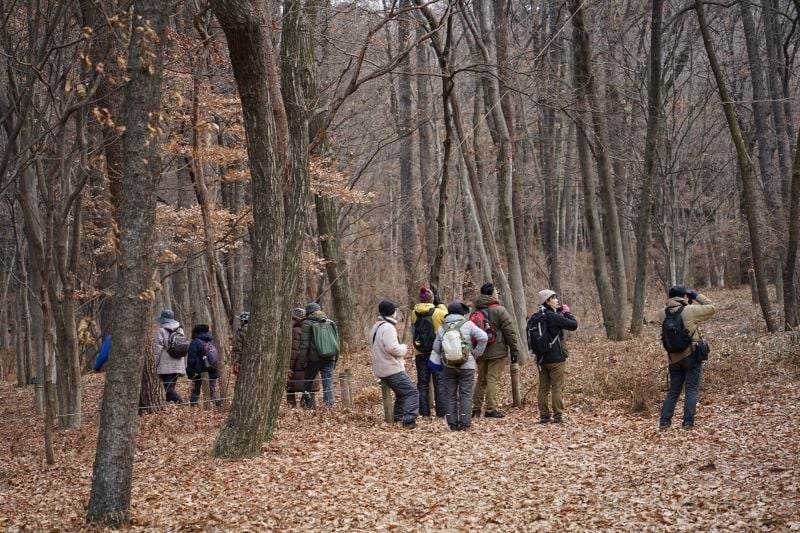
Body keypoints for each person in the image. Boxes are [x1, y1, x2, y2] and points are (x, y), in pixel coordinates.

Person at [659, 285, 717, 430]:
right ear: (684, 296)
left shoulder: (662, 313)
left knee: (673, 391)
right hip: (692, 356)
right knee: (691, 389)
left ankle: (664, 422)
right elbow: (712, 308)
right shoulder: (690, 311)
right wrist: (696, 296)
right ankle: (688, 422)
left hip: (674, 359)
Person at [429, 302, 488, 431]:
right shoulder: (468, 325)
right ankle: (465, 423)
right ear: (462, 313)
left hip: (448, 365)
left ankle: (452, 424)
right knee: (465, 393)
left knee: (449, 394)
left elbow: (435, 347)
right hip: (467, 365)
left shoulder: (442, 327)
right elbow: (483, 337)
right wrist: (475, 354)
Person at [471, 283, 522, 419]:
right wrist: (514, 351)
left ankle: (476, 408)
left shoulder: (475, 311)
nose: (497, 293)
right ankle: (490, 409)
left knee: (481, 380)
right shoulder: (499, 310)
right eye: (496, 291)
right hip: (497, 351)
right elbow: (510, 332)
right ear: (492, 294)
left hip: (480, 351)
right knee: (493, 379)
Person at [370, 300, 418, 429]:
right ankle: (408, 421)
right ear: (392, 313)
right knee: (412, 392)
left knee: (402, 393)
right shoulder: (388, 327)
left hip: (381, 368)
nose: (397, 312)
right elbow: (392, 348)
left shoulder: (377, 326)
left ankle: (398, 417)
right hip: (390, 369)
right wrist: (404, 348)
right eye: (395, 310)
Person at [535, 289, 579, 424]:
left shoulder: (537, 316)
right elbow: (573, 325)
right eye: (554, 298)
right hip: (555, 359)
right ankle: (558, 416)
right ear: (547, 301)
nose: (557, 301)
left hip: (541, 358)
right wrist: (567, 313)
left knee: (543, 388)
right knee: (557, 388)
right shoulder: (553, 316)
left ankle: (544, 416)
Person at [410, 287, 448, 418]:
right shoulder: (438, 313)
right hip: (436, 352)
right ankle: (441, 413)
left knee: (423, 383)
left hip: (420, 352)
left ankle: (425, 414)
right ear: (432, 298)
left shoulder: (413, 313)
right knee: (439, 382)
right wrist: (441, 304)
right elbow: (447, 318)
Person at [298, 302, 339, 408]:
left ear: (309, 313)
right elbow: (337, 342)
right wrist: (335, 360)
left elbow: (304, 345)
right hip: (330, 358)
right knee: (328, 382)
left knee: (308, 381)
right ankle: (329, 406)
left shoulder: (307, 324)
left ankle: (305, 405)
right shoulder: (330, 322)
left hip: (313, 359)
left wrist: (302, 361)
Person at [153, 309, 186, 403]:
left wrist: (155, 362)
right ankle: (170, 404)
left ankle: (180, 402)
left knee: (168, 387)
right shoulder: (180, 330)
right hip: (179, 360)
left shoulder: (161, 330)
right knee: (172, 387)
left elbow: (158, 348)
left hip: (165, 362)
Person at [287, 307, 319, 407]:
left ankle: (292, 408)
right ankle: (309, 409)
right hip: (312, 362)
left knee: (290, 389)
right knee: (309, 387)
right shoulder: (313, 327)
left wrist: (288, 367)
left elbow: (293, 352)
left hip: (298, 366)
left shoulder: (295, 331)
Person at [186, 324, 221, 408]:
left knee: (196, 389)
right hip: (213, 368)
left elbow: (191, 359)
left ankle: (193, 408)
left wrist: (190, 372)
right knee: (212, 389)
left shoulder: (195, 342)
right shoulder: (211, 341)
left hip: (199, 370)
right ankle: (219, 406)